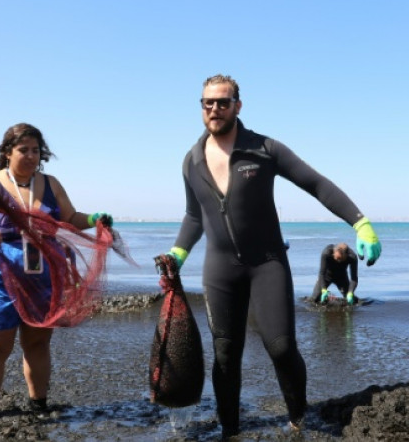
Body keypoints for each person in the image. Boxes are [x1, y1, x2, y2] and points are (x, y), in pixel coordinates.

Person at [155, 74, 382, 438]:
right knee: (226, 355)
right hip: (220, 270)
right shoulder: (191, 160)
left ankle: (298, 418)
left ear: (237, 106)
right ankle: (230, 430)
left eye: (223, 102)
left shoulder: (264, 148)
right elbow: (194, 215)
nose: (215, 109)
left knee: (280, 347)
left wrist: (360, 223)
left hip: (267, 263)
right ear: (201, 107)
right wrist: (179, 251)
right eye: (207, 103)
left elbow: (316, 183)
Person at [0, 123, 112, 420]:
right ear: (7, 153)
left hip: (42, 277)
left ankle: (39, 404)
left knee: (38, 341)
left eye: (36, 150)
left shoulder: (51, 184)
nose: (31, 156)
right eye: (23, 150)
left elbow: (69, 217)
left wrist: (94, 218)